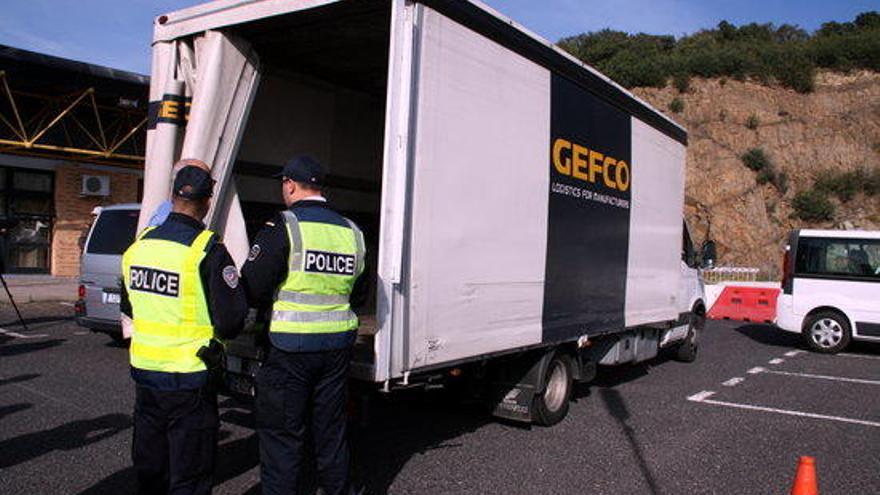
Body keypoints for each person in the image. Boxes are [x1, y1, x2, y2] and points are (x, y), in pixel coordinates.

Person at [120, 159, 248, 495]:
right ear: (207, 202)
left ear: (173, 197)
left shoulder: (140, 245)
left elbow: (128, 305)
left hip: (145, 373)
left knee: (151, 466)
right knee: (189, 473)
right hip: (189, 378)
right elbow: (232, 320)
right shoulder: (207, 249)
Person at [242, 155, 366, 495]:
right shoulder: (352, 232)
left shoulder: (283, 226)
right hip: (337, 346)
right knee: (331, 431)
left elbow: (252, 286)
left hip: (290, 348)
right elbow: (359, 292)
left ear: (291, 185)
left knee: (283, 435)